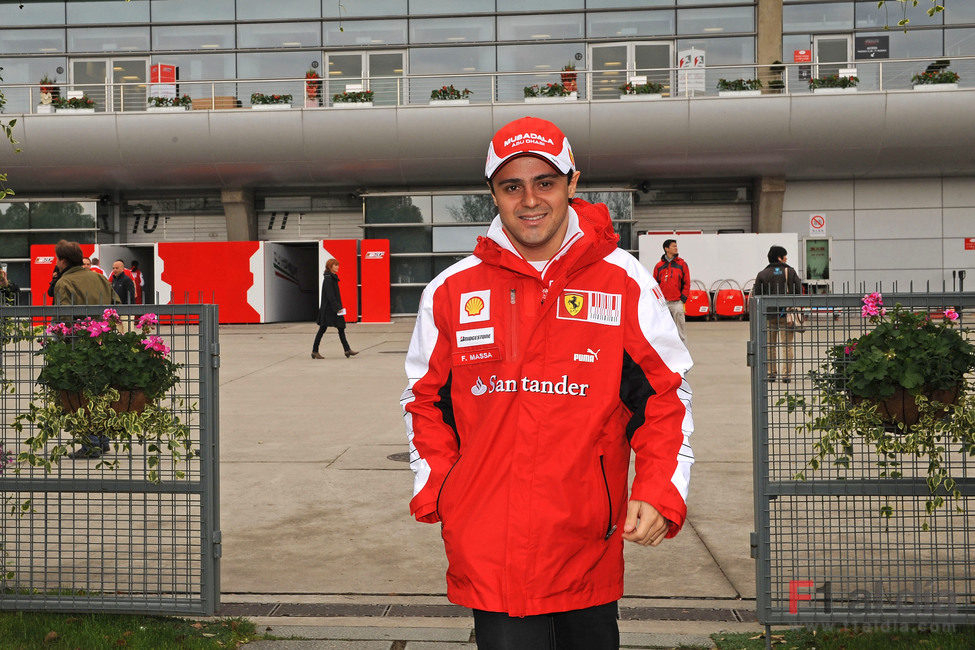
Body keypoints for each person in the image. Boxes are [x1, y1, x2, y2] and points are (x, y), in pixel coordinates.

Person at [401, 116, 693, 650]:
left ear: (572, 184)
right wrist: (443, 490)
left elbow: (665, 398)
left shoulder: (624, 280)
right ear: (493, 193)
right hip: (491, 551)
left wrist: (657, 490)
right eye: (512, 186)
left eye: (545, 182)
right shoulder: (450, 291)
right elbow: (424, 402)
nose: (529, 199)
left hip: (588, 545)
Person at [50, 240, 119, 459]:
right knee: (101, 393)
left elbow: (63, 318)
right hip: (104, 342)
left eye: (57, 259)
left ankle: (91, 444)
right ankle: (104, 440)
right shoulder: (98, 277)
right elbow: (116, 304)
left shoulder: (64, 282)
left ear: (63, 260)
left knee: (80, 396)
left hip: (78, 346)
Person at [753, 245, 802, 383]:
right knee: (787, 345)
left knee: (770, 345)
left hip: (768, 314)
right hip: (787, 314)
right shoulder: (790, 272)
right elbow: (798, 291)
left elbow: (757, 296)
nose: (786, 258)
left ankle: (771, 374)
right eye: (785, 256)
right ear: (779, 258)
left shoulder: (762, 274)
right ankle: (786, 375)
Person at [311, 258, 357, 359]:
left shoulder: (332, 277)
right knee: (322, 329)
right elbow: (330, 295)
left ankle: (347, 350)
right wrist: (337, 308)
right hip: (329, 310)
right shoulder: (328, 279)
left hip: (333, 309)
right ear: (330, 267)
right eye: (335, 265)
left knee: (341, 328)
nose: (337, 267)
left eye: (338, 265)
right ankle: (315, 351)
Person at [652, 239, 691, 343]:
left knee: (680, 331)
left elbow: (687, 282)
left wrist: (683, 298)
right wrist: (658, 301)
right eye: (673, 246)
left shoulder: (682, 264)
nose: (676, 248)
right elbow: (654, 285)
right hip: (663, 304)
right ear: (666, 249)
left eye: (676, 246)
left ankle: (683, 356)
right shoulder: (658, 266)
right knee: (664, 331)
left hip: (677, 303)